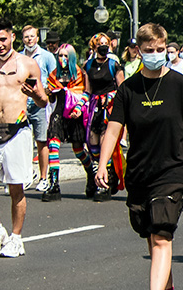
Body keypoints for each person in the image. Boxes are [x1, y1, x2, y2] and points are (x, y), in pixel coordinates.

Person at [96, 23, 183, 290]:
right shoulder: (128, 89)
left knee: (162, 234)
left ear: (167, 48)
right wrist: (101, 165)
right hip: (139, 172)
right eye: (148, 50)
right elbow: (113, 129)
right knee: (152, 234)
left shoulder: (180, 85)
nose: (154, 55)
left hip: (173, 170)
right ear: (138, 51)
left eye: (160, 50)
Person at [0, 16, 48, 257]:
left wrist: (33, 94)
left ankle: (16, 237)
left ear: (12, 37)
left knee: (16, 189)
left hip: (17, 132)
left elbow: (44, 100)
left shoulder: (27, 64)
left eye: (3, 39)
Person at [82, 34, 125, 200]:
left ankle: (104, 183)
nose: (103, 47)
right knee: (92, 145)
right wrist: (79, 106)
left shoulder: (114, 64)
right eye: (100, 44)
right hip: (94, 107)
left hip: (109, 106)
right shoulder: (89, 65)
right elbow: (88, 90)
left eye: (106, 44)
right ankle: (97, 177)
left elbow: (122, 89)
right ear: (93, 47)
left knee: (103, 142)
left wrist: (111, 96)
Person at [42, 42, 82, 202]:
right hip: (58, 112)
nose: (62, 58)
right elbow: (51, 98)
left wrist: (78, 107)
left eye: (66, 55)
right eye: (60, 55)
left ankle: (91, 175)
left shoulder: (78, 73)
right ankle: (54, 183)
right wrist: (48, 93)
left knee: (78, 150)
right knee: (53, 145)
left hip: (74, 114)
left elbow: (82, 93)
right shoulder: (53, 74)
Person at [21, 26, 58, 192]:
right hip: (22, 103)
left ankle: (44, 177)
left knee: (42, 140)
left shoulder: (47, 56)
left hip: (40, 103)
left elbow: (54, 78)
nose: (29, 39)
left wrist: (47, 94)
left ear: (37, 38)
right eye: (26, 37)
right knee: (21, 141)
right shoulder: (19, 57)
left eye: (32, 36)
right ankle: (25, 175)